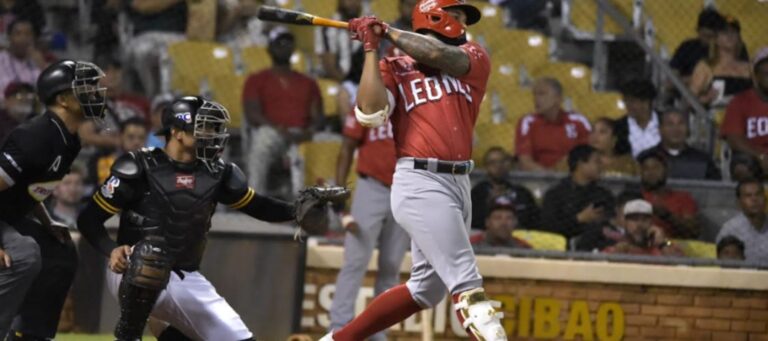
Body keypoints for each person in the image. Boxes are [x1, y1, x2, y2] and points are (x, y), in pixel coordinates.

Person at [76, 96, 345, 341]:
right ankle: (128, 333)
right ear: (177, 132)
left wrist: (296, 210)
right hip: (131, 269)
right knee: (150, 255)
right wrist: (111, 250)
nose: (212, 135)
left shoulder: (218, 172)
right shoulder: (138, 166)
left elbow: (257, 206)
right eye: (203, 128)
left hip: (185, 274)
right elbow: (88, 219)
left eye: (214, 128)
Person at [321, 0, 507, 339]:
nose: (463, 24)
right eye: (457, 15)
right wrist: (370, 49)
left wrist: (389, 31)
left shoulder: (473, 56)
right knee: (468, 288)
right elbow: (370, 112)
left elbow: (440, 56)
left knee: (425, 290)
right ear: (435, 16)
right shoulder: (393, 66)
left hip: (459, 182)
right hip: (420, 182)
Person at [0, 60, 108, 340]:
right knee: (25, 253)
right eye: (85, 88)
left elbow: (35, 188)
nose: (95, 93)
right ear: (63, 99)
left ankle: (31, 335)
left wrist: (47, 222)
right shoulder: (34, 136)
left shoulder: (69, 140)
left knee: (60, 252)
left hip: (11, 218)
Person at [328, 109, 409, 341]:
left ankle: (378, 330)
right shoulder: (369, 100)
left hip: (406, 190)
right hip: (371, 186)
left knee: (391, 264)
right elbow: (346, 147)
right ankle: (339, 325)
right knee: (355, 260)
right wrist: (339, 195)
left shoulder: (413, 99)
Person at [242, 28, 323, 196]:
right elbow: (252, 114)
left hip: (302, 134)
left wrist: (309, 131)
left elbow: (318, 117)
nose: (284, 47)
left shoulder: (308, 82)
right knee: (261, 141)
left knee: (330, 141)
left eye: (288, 43)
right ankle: (255, 199)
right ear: (270, 48)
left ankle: (311, 206)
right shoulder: (256, 79)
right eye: (279, 43)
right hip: (273, 132)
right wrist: (280, 130)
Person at [541, 145, 614, 242]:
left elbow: (613, 223)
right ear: (580, 164)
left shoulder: (604, 194)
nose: (601, 166)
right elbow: (548, 228)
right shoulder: (555, 195)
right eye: (597, 162)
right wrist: (579, 219)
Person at [516, 78, 591, 171]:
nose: (536, 99)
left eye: (542, 94)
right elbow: (525, 161)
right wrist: (550, 176)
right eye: (535, 94)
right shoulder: (527, 122)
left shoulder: (579, 121)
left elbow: (589, 156)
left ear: (558, 98)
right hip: (537, 180)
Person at [124, 0, 187, 97]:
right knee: (144, 52)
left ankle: (169, 101)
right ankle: (154, 102)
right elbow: (139, 4)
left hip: (178, 36)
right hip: (145, 36)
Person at [721, 46, 768, 175]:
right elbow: (734, 138)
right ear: (756, 76)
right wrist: (761, 156)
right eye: (766, 73)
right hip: (753, 156)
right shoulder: (740, 101)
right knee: (742, 167)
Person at [690, 16, 752, 107]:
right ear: (716, 39)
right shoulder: (706, 66)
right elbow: (689, 99)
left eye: (733, 32)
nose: (729, 35)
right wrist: (706, 98)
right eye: (724, 32)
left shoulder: (749, 68)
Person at [471, 147, 539, 230]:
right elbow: (473, 224)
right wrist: (488, 204)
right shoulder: (477, 194)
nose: (498, 166)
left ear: (510, 164)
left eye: (502, 161)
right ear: (486, 167)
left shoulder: (523, 193)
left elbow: (535, 223)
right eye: (493, 162)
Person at [636, 150, 699, 239]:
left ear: (666, 170)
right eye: (646, 168)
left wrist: (668, 216)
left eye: (655, 167)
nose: (651, 172)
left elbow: (693, 232)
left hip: (675, 249)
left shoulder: (684, 199)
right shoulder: (634, 198)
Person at [642, 110, 721, 180]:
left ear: (687, 129)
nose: (676, 129)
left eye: (681, 123)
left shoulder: (703, 160)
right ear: (660, 129)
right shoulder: (646, 157)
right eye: (670, 124)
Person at [602, 199, 684, 257]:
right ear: (625, 223)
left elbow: (681, 264)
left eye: (644, 220)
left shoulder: (665, 245)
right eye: (634, 219)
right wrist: (616, 255)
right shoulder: (617, 248)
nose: (639, 224)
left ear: (651, 223)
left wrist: (662, 243)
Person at [716, 179, 768, 265]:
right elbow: (724, 266)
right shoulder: (730, 230)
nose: (754, 199)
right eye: (748, 195)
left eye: (758, 194)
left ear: (765, 199)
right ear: (739, 202)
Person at [670, 8, 726, 82]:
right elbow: (672, 78)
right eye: (705, 35)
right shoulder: (687, 48)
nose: (708, 40)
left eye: (713, 37)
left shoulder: (726, 50)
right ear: (698, 31)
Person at [315, 0, 364, 82]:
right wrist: (349, 86)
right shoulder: (327, 27)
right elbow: (330, 67)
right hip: (337, 82)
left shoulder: (366, 27)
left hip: (361, 81)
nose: (353, 3)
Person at [92, 117, 149, 186]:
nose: (136, 142)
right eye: (131, 137)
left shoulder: (152, 165)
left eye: (141, 138)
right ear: (121, 136)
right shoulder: (106, 162)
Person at [0, 19, 47, 100]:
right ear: (9, 37)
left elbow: (50, 90)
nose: (23, 38)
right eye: (18, 34)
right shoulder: (2, 60)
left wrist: (42, 64)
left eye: (28, 34)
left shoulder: (37, 60)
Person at [614, 79, 660, 157]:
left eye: (632, 101)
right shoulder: (619, 126)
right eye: (626, 101)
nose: (627, 105)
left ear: (646, 102)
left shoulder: (666, 122)